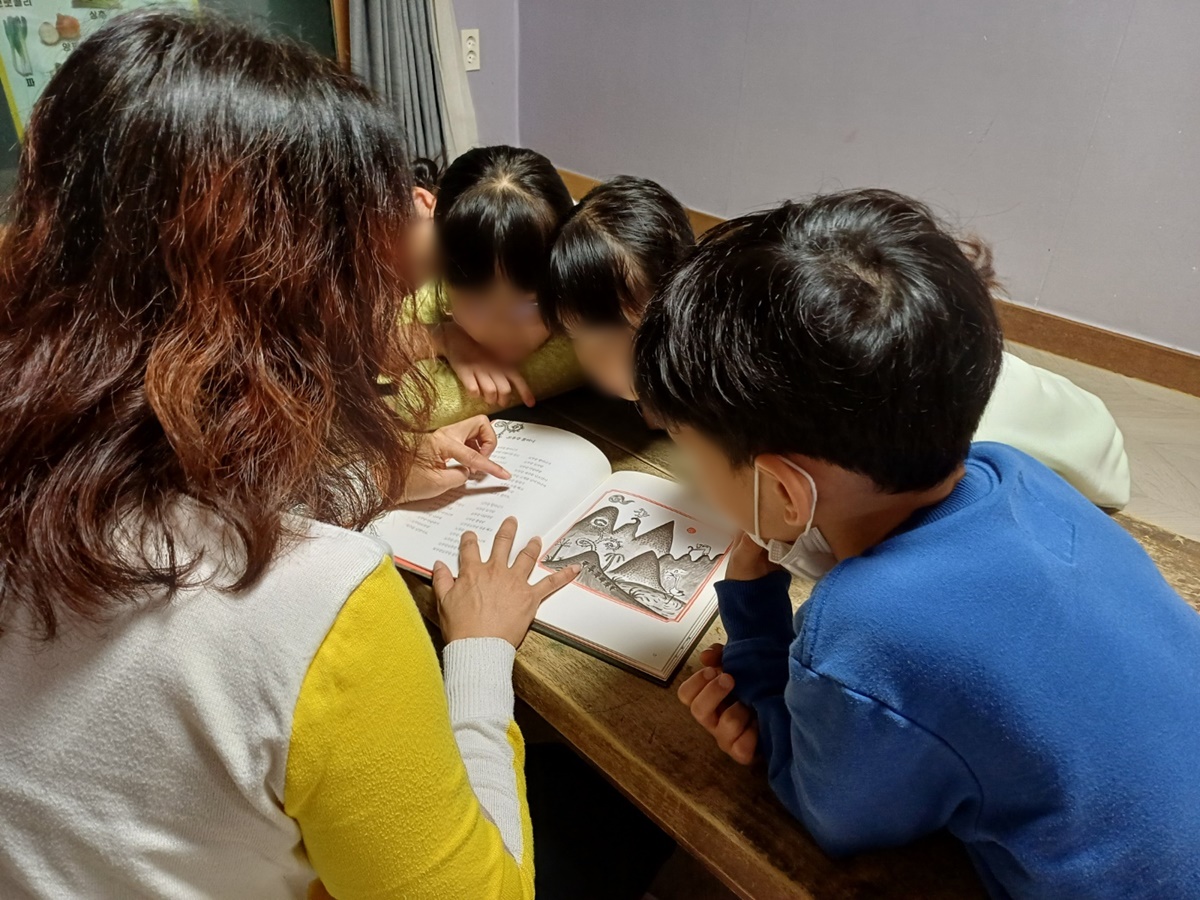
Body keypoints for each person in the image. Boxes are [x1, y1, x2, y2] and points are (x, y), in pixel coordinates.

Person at [0, 11, 581, 898]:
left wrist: (375, 476)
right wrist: (478, 652)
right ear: (310, 298)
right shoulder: (320, 611)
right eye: (386, 278)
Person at [634, 190, 1200, 898]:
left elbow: (833, 814)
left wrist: (756, 654)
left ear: (784, 491)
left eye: (692, 455)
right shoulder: (1013, 471)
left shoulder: (863, 631)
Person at [544, 175, 1131, 509]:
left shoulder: (755, 377)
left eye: (615, 338)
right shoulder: (687, 342)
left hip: (1057, 443)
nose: (590, 359)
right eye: (577, 338)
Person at [405, 146, 584, 422]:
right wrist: (443, 336)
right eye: (478, 306)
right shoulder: (434, 293)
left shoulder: (587, 290)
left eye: (527, 306)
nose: (502, 330)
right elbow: (359, 353)